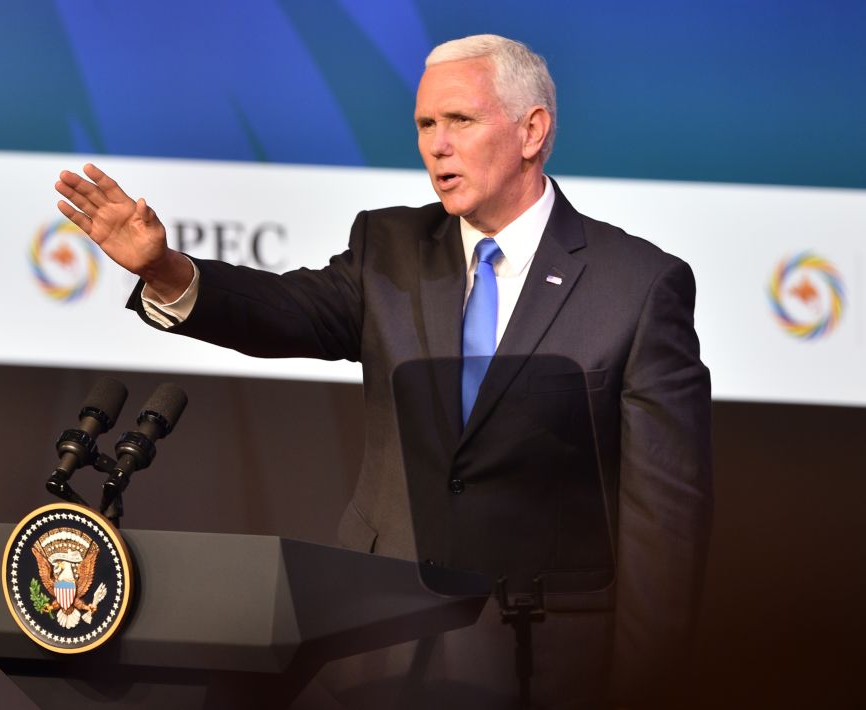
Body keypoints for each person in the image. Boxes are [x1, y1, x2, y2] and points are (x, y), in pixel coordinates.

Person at [55, 34, 712, 710]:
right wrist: (165, 270)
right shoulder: (388, 249)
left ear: (532, 131)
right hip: (380, 648)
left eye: (460, 120)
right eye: (426, 124)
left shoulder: (635, 284)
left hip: (539, 656)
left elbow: (665, 525)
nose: (436, 145)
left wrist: (644, 688)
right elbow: (280, 312)